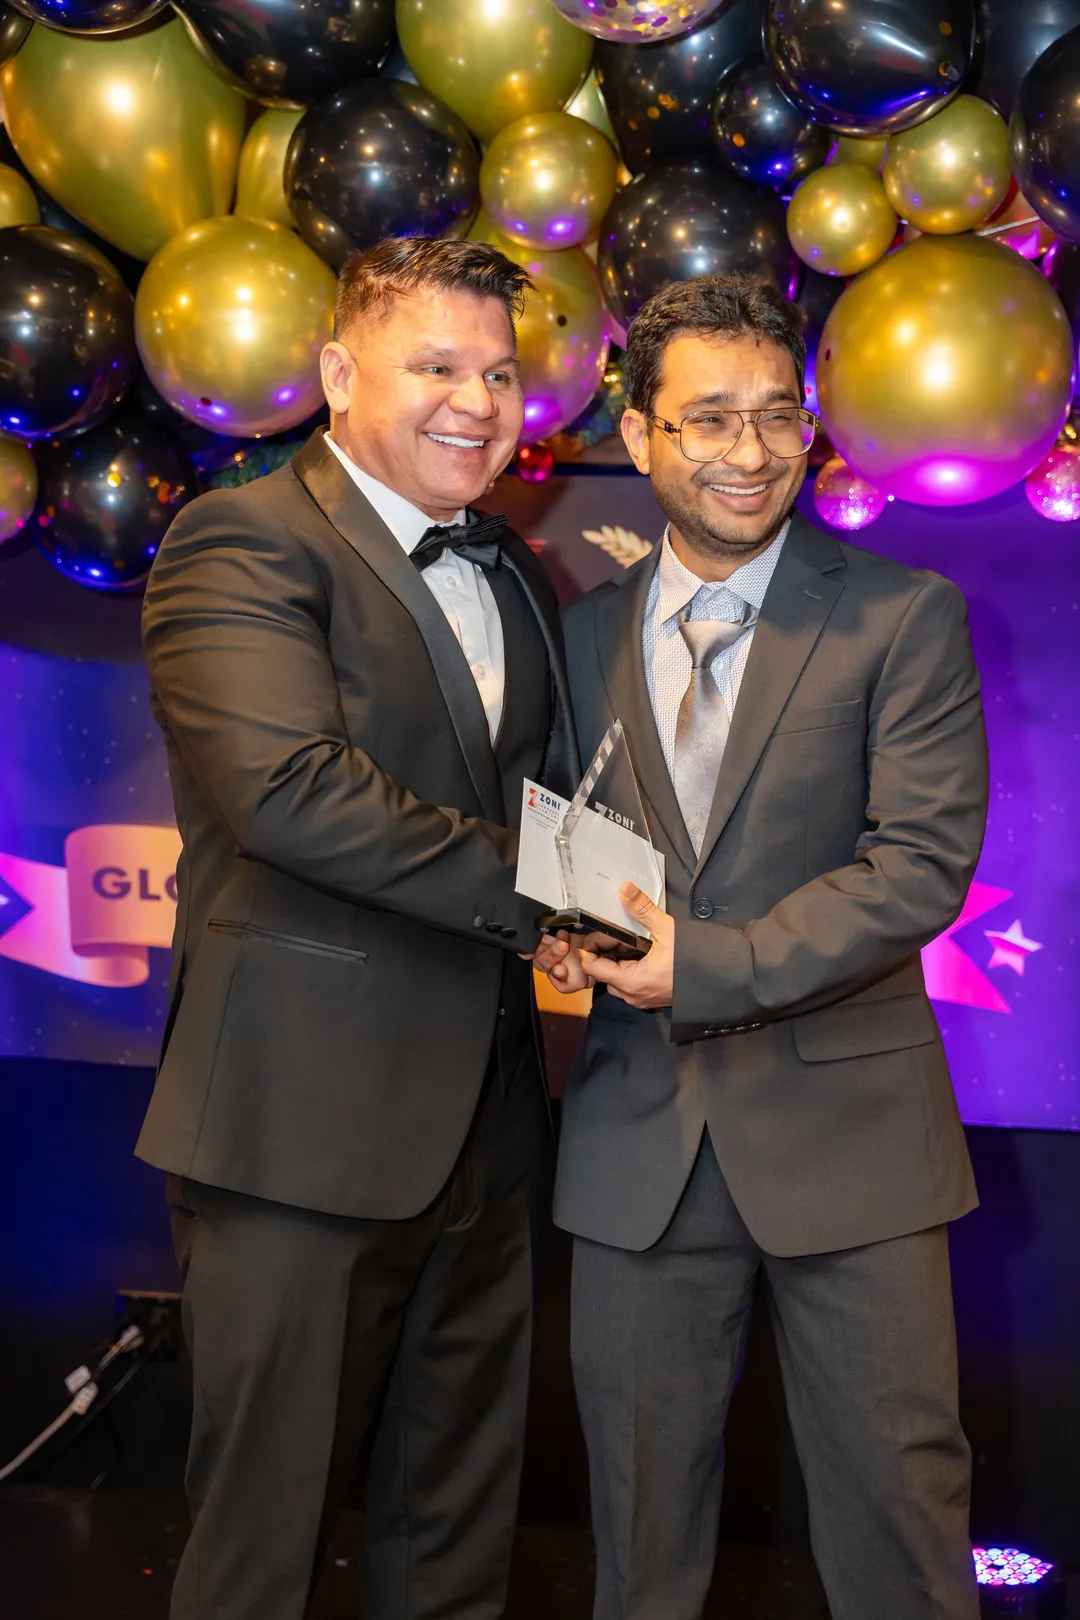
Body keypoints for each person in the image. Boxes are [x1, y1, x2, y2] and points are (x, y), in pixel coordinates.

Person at [136, 236, 576, 1620]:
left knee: (454, 1536)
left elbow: (553, 795)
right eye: (434, 365)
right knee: (260, 1550)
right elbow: (291, 796)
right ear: (337, 375)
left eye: (498, 372)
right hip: (297, 1126)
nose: (476, 400)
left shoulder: (509, 567)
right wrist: (547, 896)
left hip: (493, 1128)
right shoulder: (244, 537)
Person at [539, 273, 988, 1620]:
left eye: (778, 417)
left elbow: (918, 868)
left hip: (854, 1144)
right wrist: (565, 929)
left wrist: (705, 967)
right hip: (637, 1151)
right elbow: (571, 841)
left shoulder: (901, 616)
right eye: (710, 419)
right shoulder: (573, 635)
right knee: (637, 1537)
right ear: (638, 435)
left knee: (900, 1516)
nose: (750, 451)